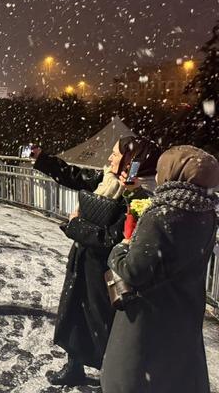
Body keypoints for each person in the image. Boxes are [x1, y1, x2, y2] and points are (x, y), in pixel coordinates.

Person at [31, 136, 160, 386]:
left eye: (115, 154)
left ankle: (109, 380)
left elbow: (112, 239)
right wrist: (43, 160)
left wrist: (75, 225)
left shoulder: (141, 197)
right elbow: (76, 177)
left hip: (109, 272)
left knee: (104, 324)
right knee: (74, 313)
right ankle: (74, 366)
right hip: (84, 260)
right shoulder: (108, 180)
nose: (110, 158)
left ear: (131, 162)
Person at [102, 145, 219, 393]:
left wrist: (119, 249)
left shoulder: (163, 214)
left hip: (148, 319)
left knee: (132, 381)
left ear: (174, 172)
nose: (157, 175)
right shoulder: (206, 212)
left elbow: (134, 271)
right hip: (182, 313)